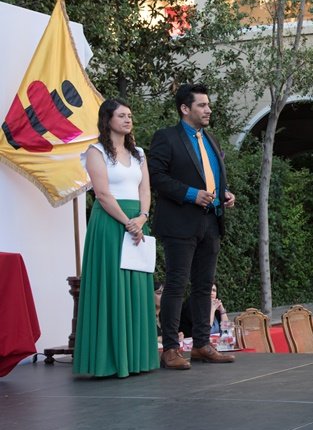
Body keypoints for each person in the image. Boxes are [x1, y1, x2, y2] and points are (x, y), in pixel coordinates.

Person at [148, 83, 236, 370]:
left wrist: (224, 193)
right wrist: (190, 194)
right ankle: (171, 349)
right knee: (176, 285)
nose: (208, 109)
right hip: (179, 222)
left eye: (208, 104)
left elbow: (211, 177)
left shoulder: (211, 139)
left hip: (211, 221)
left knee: (204, 286)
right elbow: (156, 176)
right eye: (202, 105)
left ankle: (201, 344)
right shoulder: (166, 137)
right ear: (185, 109)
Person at [73, 99, 160, 378]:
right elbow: (102, 194)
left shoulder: (139, 154)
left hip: (137, 222)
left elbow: (145, 189)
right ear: (107, 119)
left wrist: (142, 218)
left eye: (129, 115)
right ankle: (110, 360)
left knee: (136, 288)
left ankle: (135, 359)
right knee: (112, 287)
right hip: (111, 224)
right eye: (121, 115)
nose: (127, 119)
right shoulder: (95, 151)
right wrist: (127, 222)